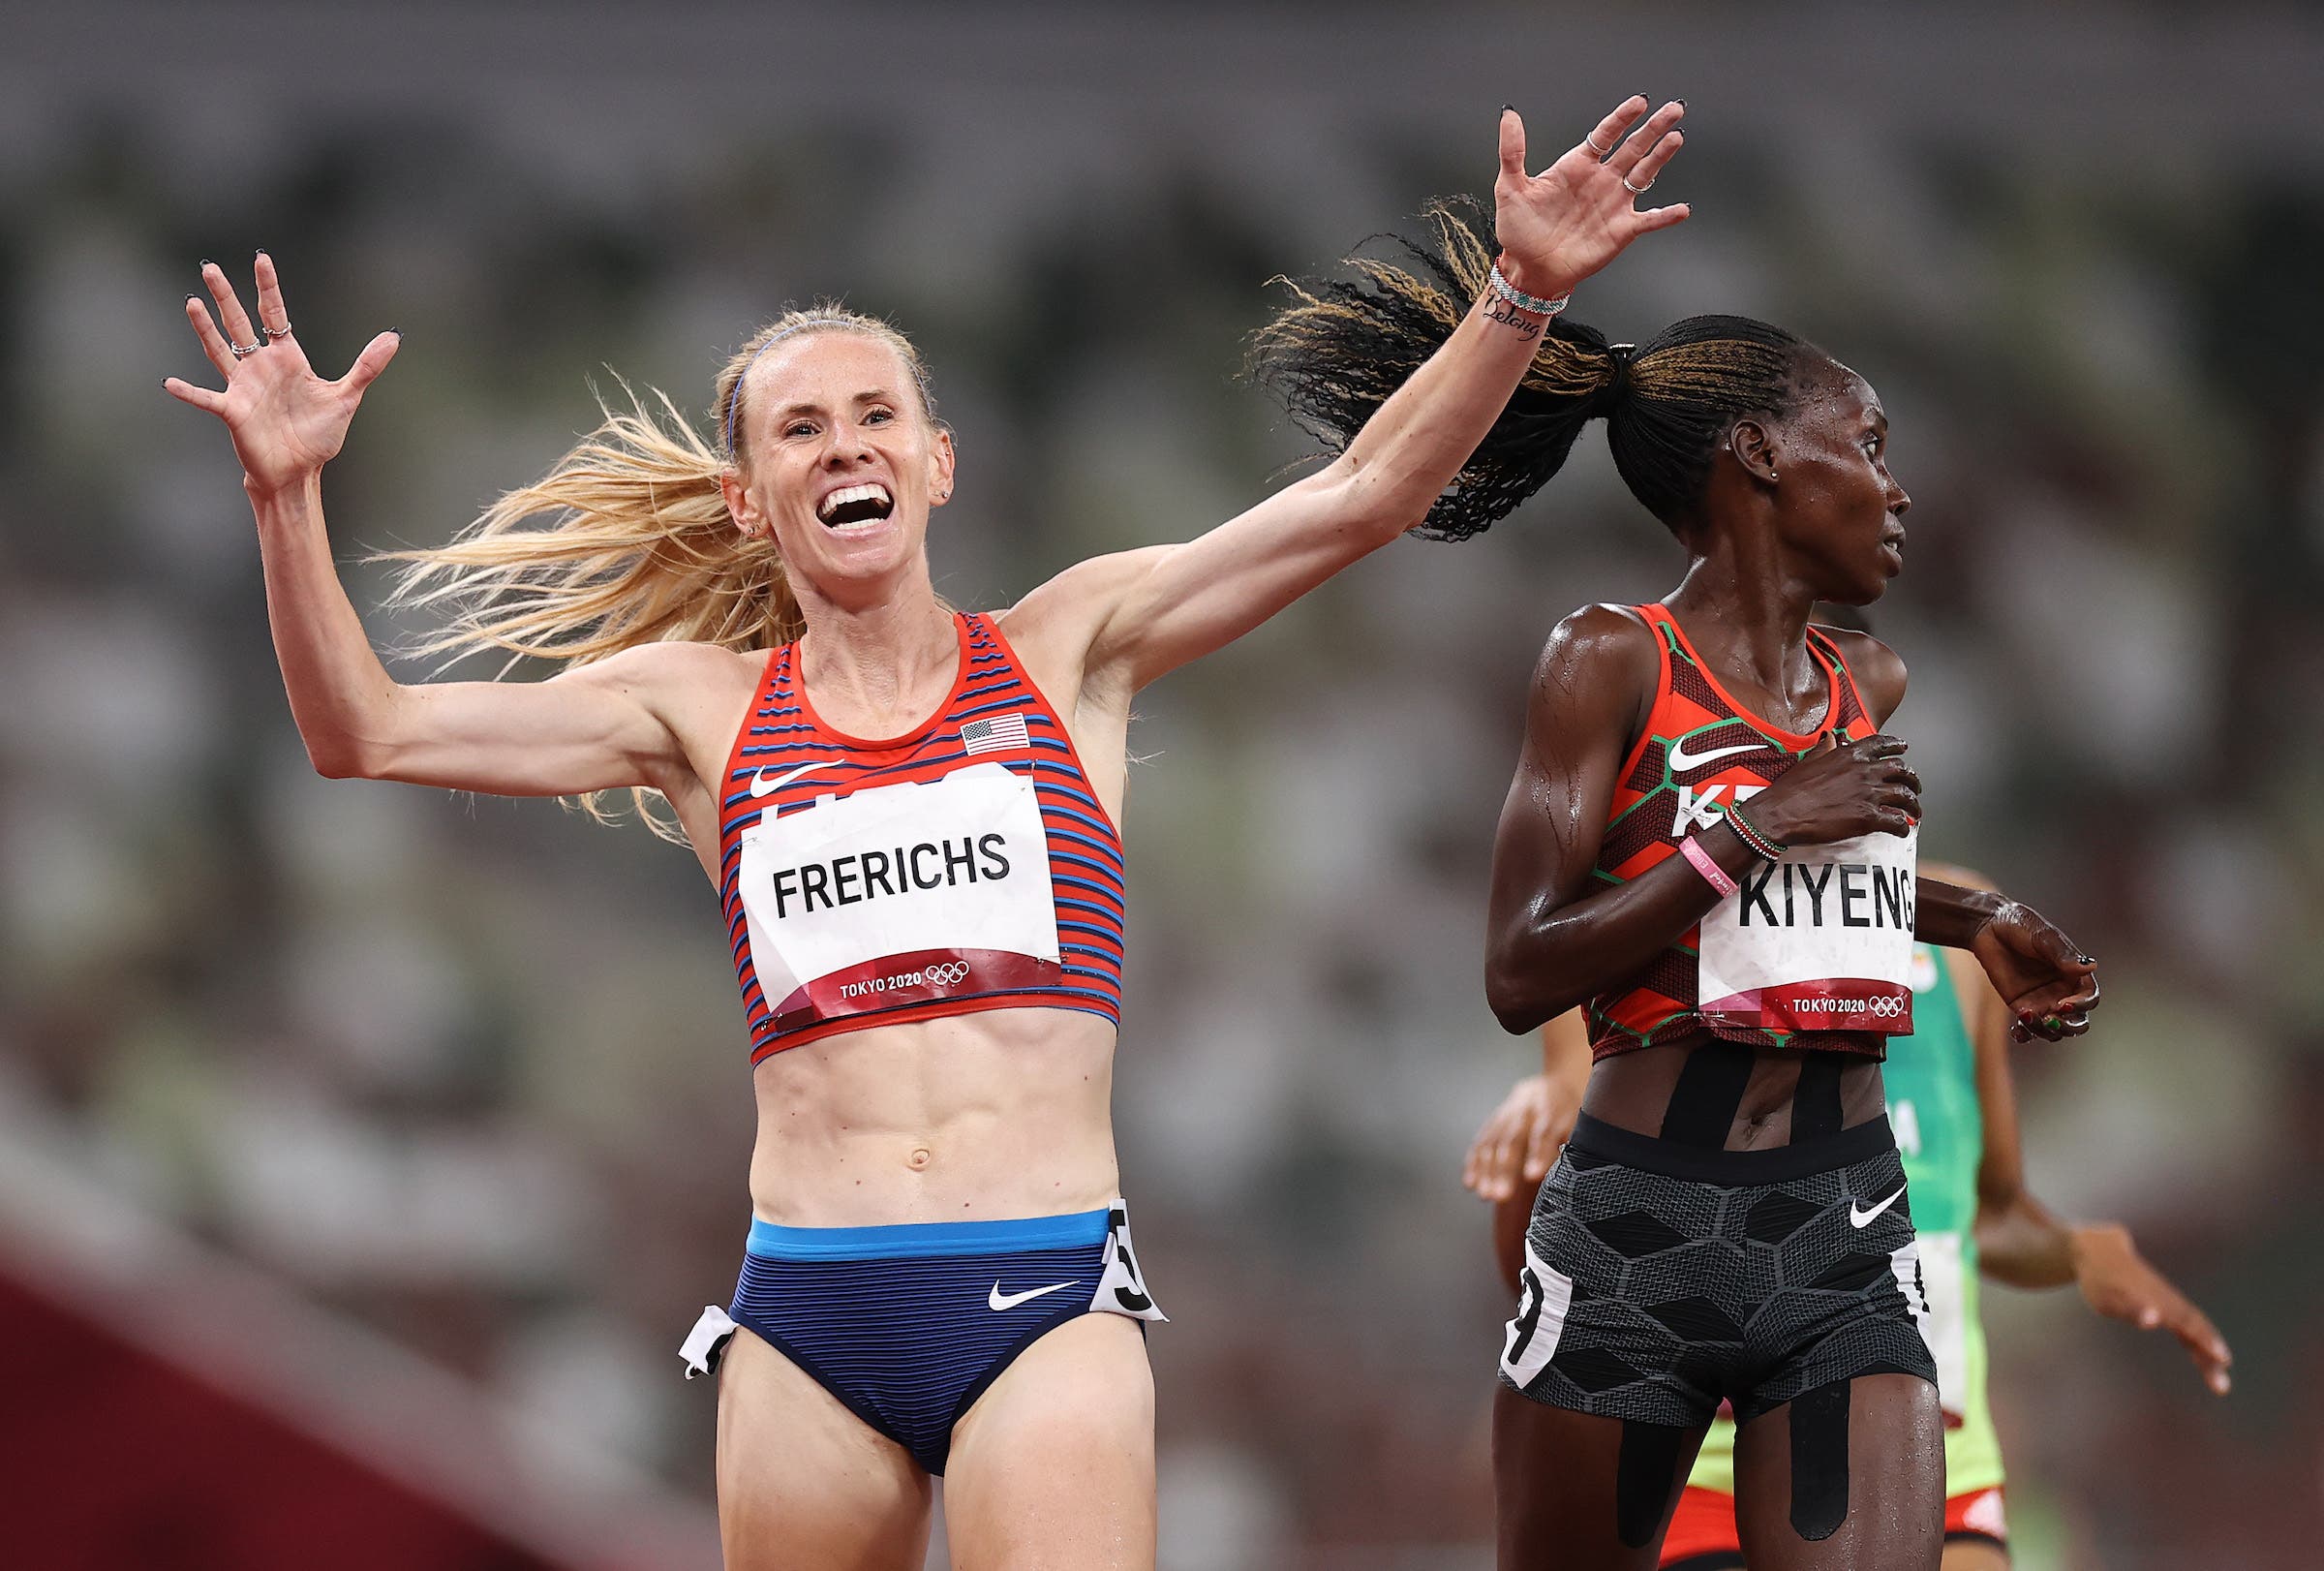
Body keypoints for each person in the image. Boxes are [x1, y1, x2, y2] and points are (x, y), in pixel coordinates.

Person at [165, 98, 1690, 1571]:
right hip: (809, 1311)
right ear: (752, 500)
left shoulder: (1067, 648)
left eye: (876, 415)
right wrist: (285, 494)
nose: (845, 447)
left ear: (937, 461)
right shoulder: (695, 712)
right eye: (802, 430)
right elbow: (359, 730)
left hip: (1043, 1295)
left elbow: (1361, 494)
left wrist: (1518, 293)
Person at [1254, 208, 2104, 1569]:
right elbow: (1522, 968)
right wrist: (1757, 827)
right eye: (1869, 448)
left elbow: (1802, 912)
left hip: (1843, 1220)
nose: (1898, 492)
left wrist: (1974, 919)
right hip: (1640, 1230)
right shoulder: (1608, 660)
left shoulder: (1864, 684)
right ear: (1761, 454)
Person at [1466, 878, 2233, 1569]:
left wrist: (2072, 1250)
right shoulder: (1657, 902)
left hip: (1930, 1437)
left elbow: (1989, 1210)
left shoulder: (1966, 943)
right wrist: (1542, 1112)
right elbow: (1574, 1127)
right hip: (1712, 1453)